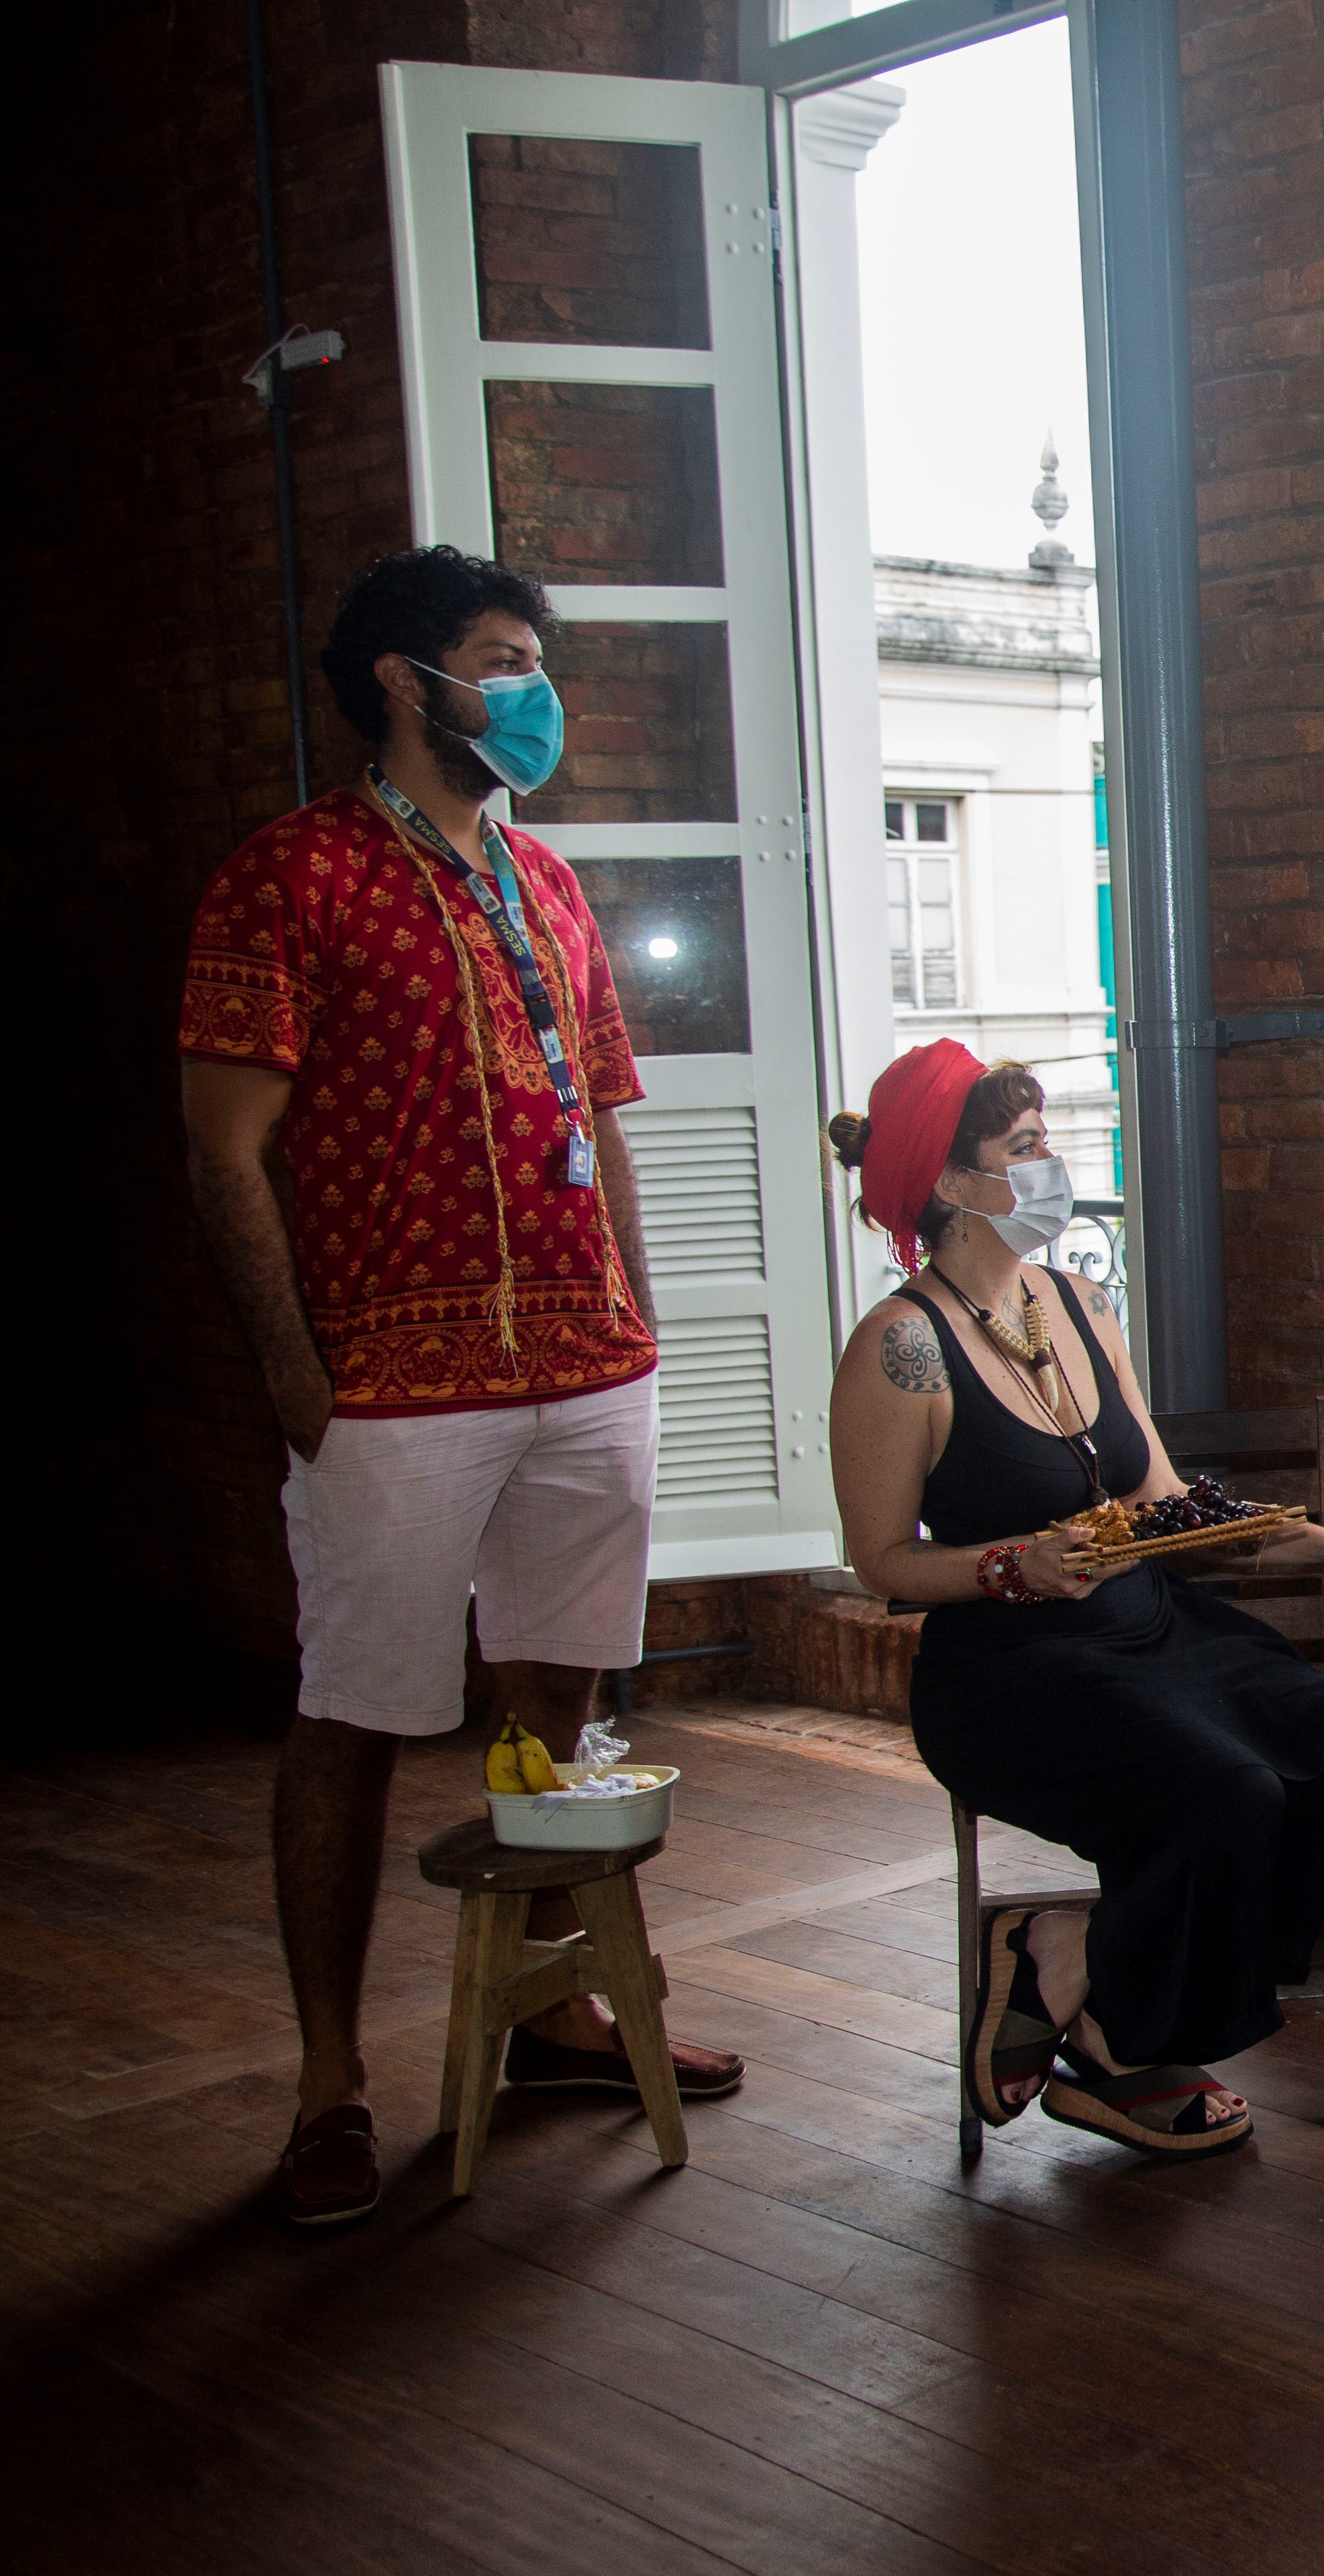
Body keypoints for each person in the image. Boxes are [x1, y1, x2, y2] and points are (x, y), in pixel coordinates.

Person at [183, 543, 742, 2230]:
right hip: (393, 1384)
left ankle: (555, 2010)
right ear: (398, 682)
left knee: (558, 1704)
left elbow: (610, 1116)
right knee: (356, 1714)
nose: (530, 692)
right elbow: (224, 1150)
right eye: (499, 660)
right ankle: (331, 2087)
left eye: (533, 661)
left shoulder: (551, 886)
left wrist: (637, 1323)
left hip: (583, 1362)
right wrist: (299, 1377)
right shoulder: (287, 881)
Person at [826, 1040, 1324, 2158]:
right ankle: (1115, 2028)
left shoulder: (1075, 1302)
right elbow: (881, 1563)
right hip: (1013, 1674)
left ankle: (1082, 1973)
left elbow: (1156, 1493)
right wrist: (1015, 1565)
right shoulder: (899, 1348)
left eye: (1048, 1143)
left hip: (1146, 1629)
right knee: (1229, 1789)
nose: (1051, 1168)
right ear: (954, 1184)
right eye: (1024, 1151)